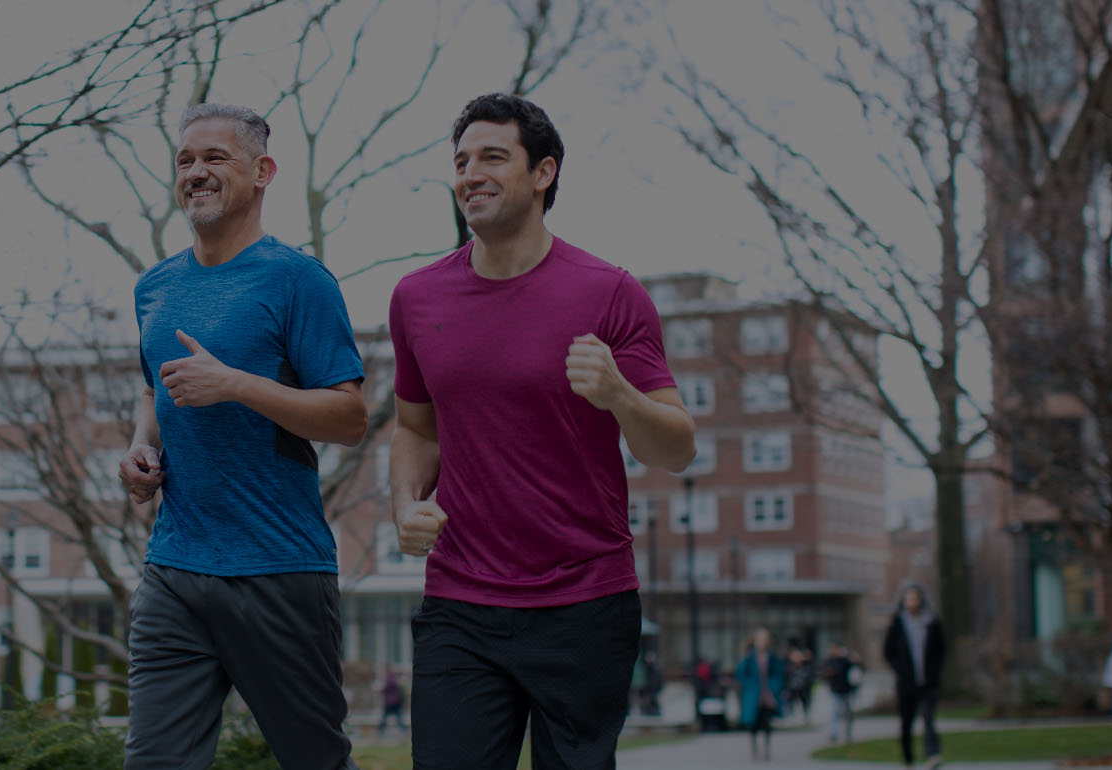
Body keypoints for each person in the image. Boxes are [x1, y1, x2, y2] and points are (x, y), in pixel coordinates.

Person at [387, 92, 698, 770]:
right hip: (461, 600)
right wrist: (406, 504)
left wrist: (619, 394)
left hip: (584, 601)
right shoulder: (417, 298)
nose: (471, 173)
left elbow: (674, 446)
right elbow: (415, 427)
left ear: (543, 173)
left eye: (493, 157)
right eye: (462, 160)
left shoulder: (609, 292)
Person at [117, 103, 368, 770]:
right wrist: (144, 446)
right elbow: (154, 389)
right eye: (185, 161)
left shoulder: (298, 282)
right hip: (176, 566)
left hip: (279, 568)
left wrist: (236, 385)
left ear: (263, 172)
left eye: (214, 158)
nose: (195, 172)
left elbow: (349, 417)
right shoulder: (154, 288)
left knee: (314, 760)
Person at [884, 583, 946, 768]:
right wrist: (901, 670)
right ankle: (908, 758)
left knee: (929, 719)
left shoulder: (931, 623)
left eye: (915, 598)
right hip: (906, 683)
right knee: (906, 722)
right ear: (904, 601)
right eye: (909, 598)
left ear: (921, 600)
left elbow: (941, 650)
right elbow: (888, 652)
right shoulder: (897, 624)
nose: (912, 602)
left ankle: (933, 755)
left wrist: (935, 671)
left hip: (928, 681)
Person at [736, 628, 787, 761]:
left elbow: (779, 673)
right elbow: (741, 674)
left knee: (766, 723)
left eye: (765, 638)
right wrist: (750, 686)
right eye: (760, 639)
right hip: (753, 695)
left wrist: (774, 687)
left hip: (768, 695)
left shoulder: (772, 656)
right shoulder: (748, 657)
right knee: (753, 724)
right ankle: (754, 749)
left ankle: (766, 750)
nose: (763, 641)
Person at [822, 643, 863, 744]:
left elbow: (857, 669)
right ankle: (834, 733)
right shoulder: (830, 662)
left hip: (846, 691)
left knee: (848, 713)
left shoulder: (846, 661)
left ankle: (848, 733)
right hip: (835, 691)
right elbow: (826, 674)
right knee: (835, 713)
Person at [785, 645, 815, 724]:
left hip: (803, 689)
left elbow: (810, 676)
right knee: (792, 704)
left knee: (805, 704)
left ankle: (805, 718)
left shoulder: (806, 665)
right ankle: (792, 718)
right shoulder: (789, 666)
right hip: (793, 689)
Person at [376, 667, 407, 737]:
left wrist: (381, 690)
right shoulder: (394, 679)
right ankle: (404, 730)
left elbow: (386, 688)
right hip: (395, 701)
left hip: (390, 702)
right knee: (398, 718)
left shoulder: (389, 679)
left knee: (385, 717)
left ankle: (379, 731)